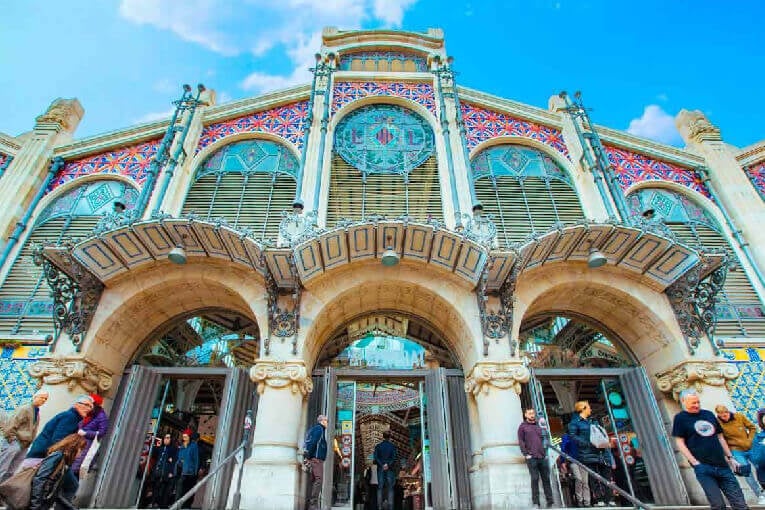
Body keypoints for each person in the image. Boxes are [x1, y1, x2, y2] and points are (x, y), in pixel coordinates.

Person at [672, 389, 747, 510]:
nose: (696, 405)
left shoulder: (708, 414)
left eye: (698, 402)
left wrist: (730, 458)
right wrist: (695, 462)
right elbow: (680, 443)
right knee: (718, 505)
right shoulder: (680, 418)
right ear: (683, 401)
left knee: (740, 504)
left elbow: (720, 437)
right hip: (704, 468)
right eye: (693, 403)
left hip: (723, 466)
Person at [24, 394, 93, 508]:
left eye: (91, 407)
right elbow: (58, 440)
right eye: (86, 405)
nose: (89, 409)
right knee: (71, 486)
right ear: (76, 405)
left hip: (46, 457)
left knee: (58, 486)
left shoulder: (71, 417)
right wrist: (59, 460)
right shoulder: (70, 417)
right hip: (45, 458)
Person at [568, 401, 615, 507]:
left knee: (606, 476)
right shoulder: (575, 423)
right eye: (589, 407)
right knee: (593, 477)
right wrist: (587, 444)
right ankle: (599, 499)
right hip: (587, 453)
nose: (590, 409)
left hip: (601, 452)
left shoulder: (593, 421)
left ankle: (610, 498)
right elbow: (572, 436)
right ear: (583, 408)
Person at [716, 404, 762, 500]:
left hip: (750, 447)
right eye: (722, 416)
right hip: (736, 450)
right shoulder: (717, 423)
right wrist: (728, 456)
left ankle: (763, 487)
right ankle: (760, 496)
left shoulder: (739, 416)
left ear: (728, 412)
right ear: (718, 415)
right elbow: (721, 440)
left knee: (760, 466)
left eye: (726, 414)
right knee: (746, 472)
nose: (725, 417)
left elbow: (752, 428)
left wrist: (750, 439)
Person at [0, 389, 48, 481]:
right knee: (3, 468)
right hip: (15, 442)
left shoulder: (36, 411)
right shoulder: (25, 408)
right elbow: (11, 424)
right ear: (35, 397)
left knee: (11, 471)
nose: (44, 400)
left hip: (24, 445)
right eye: (42, 398)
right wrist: (12, 439)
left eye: (45, 399)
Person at [30, 433, 87, 510]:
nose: (80, 454)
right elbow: (39, 479)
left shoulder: (63, 461)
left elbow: (57, 492)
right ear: (74, 447)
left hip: (43, 501)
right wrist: (35, 506)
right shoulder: (58, 456)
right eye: (81, 450)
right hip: (38, 501)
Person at [517, 408, 553, 508]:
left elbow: (546, 438)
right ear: (525, 415)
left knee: (546, 479)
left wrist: (546, 454)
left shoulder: (539, 425)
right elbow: (521, 441)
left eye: (533, 413)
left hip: (542, 456)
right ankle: (536, 503)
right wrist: (526, 454)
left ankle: (550, 502)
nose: (532, 415)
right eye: (530, 413)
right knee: (535, 478)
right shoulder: (522, 427)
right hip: (531, 457)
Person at [71, 393, 109, 479]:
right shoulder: (84, 413)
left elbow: (102, 432)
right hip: (75, 443)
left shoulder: (101, 416)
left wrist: (86, 433)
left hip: (86, 446)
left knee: (75, 470)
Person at [303, 414, 328, 510]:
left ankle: (311, 504)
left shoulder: (316, 429)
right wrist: (308, 456)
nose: (327, 422)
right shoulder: (319, 429)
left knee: (314, 480)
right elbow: (313, 442)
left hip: (314, 458)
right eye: (326, 420)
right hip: (316, 459)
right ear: (321, 421)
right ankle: (313, 505)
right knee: (318, 479)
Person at [150, 433, 178, 508]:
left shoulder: (173, 449)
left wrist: (171, 472)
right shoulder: (161, 448)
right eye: (165, 437)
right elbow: (153, 454)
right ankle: (153, 502)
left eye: (168, 438)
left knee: (162, 489)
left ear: (171, 439)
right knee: (155, 487)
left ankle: (159, 504)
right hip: (157, 471)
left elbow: (173, 461)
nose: (166, 439)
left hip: (165, 472)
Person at [374, 430, 397, 510]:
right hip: (389, 469)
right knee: (390, 487)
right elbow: (394, 457)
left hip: (381, 469)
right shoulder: (393, 446)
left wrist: (382, 465)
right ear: (389, 437)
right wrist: (388, 464)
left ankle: (379, 506)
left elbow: (376, 457)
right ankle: (390, 506)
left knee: (380, 487)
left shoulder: (378, 446)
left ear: (383, 437)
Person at [176, 429, 199, 509]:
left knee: (187, 490)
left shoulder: (194, 446)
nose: (184, 438)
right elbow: (179, 457)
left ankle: (185, 506)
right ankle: (178, 505)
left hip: (190, 472)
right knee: (179, 489)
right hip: (182, 471)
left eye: (186, 436)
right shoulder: (182, 446)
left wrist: (195, 472)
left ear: (189, 437)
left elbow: (196, 459)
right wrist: (180, 461)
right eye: (183, 436)